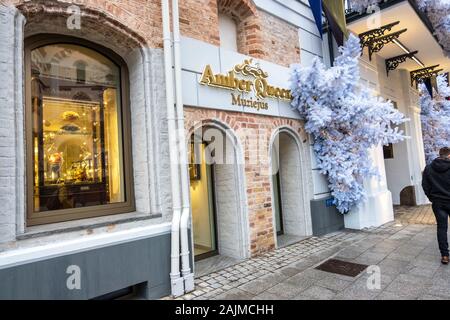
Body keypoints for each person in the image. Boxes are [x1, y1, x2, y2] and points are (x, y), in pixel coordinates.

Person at [422, 147, 450, 265]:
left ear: (439, 154)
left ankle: (444, 255)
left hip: (438, 203)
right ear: (449, 156)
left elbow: (425, 185)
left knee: (441, 228)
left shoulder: (428, 168)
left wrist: (432, 198)